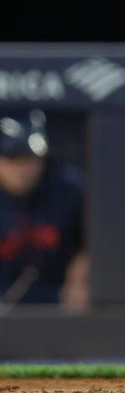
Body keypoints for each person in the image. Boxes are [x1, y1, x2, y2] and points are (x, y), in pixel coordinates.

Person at [0, 111, 88, 309]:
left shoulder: (71, 191)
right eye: (12, 159)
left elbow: (106, 239)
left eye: (30, 159)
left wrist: (86, 269)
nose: (22, 169)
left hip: (60, 302)